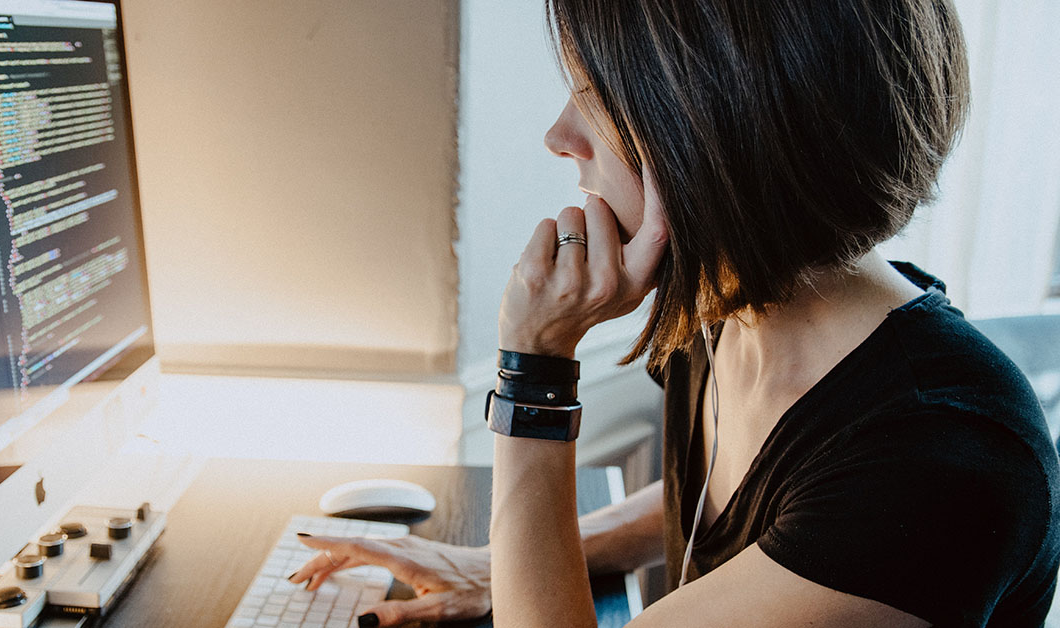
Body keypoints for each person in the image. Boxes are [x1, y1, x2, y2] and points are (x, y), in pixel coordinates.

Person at [290, 0, 1060, 626]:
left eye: (597, 99)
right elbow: (769, 509)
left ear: (721, 129)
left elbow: (841, 512)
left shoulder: (934, 463)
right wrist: (509, 566)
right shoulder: (731, 306)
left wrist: (535, 362)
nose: (560, 136)